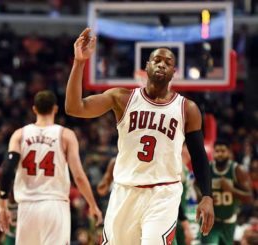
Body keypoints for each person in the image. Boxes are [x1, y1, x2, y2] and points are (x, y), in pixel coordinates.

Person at [65, 28, 214, 245]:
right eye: (157, 59)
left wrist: (207, 196)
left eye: (168, 62)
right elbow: (74, 107)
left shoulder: (187, 108)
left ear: (174, 72)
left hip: (163, 193)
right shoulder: (121, 98)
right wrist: (79, 63)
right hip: (125, 190)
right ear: (146, 67)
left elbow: (199, 156)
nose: (162, 64)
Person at [0, 90, 102, 245]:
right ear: (55, 109)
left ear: (34, 109)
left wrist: (2, 205)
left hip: (27, 207)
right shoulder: (65, 135)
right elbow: (78, 176)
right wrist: (92, 205)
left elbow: (7, 170)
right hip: (54, 205)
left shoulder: (19, 135)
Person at [201, 140, 253, 245]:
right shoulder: (208, 168)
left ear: (229, 152)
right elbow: (195, 184)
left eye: (223, 151)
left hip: (229, 222)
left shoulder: (237, 170)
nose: (219, 154)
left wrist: (231, 190)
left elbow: (250, 198)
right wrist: (204, 198)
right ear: (213, 152)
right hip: (211, 221)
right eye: (217, 151)